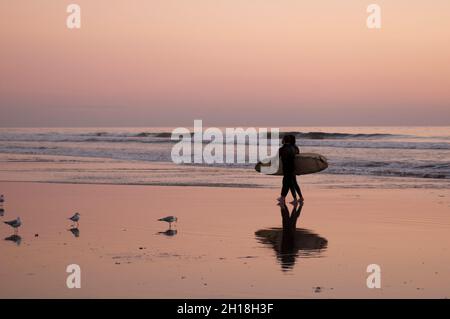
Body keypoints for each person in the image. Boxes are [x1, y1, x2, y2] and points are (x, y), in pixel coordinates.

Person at [277, 135, 297, 204]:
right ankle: (292, 199)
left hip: (286, 168)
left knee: (286, 183)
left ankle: (283, 198)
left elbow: (277, 159)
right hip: (293, 168)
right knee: (290, 184)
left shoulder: (281, 149)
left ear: (284, 140)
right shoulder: (294, 148)